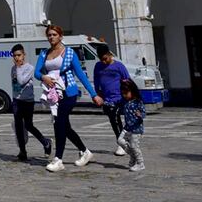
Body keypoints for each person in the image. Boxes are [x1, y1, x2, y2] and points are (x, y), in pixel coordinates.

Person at [34, 25, 104, 173]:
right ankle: (85, 151)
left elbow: (81, 75)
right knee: (64, 126)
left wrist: (94, 94)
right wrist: (44, 77)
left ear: (60, 36)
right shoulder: (44, 53)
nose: (51, 37)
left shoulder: (70, 53)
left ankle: (58, 159)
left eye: (54, 34)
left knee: (59, 123)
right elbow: (37, 72)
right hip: (53, 94)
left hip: (68, 92)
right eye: (49, 35)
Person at [10, 43, 51, 161]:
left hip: (27, 101)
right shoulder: (13, 68)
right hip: (17, 100)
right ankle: (23, 151)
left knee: (28, 125)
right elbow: (14, 84)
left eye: (19, 55)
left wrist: (18, 68)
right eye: (14, 56)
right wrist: (14, 97)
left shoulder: (29, 68)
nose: (17, 58)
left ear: (24, 55)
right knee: (18, 126)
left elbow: (22, 81)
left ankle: (46, 142)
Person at [93, 44, 131, 156]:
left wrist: (129, 95)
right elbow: (96, 81)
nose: (104, 62)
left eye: (105, 59)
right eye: (101, 59)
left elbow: (127, 81)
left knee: (117, 118)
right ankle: (121, 142)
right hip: (107, 99)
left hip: (120, 98)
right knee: (114, 121)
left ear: (110, 55)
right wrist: (97, 94)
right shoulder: (98, 66)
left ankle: (123, 142)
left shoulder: (119, 66)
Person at [116, 79, 146, 172]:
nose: (124, 95)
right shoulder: (125, 101)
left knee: (134, 146)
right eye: (122, 93)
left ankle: (140, 163)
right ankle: (133, 156)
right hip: (127, 127)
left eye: (126, 93)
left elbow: (144, 113)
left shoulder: (138, 102)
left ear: (132, 91)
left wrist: (140, 115)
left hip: (136, 129)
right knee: (120, 141)